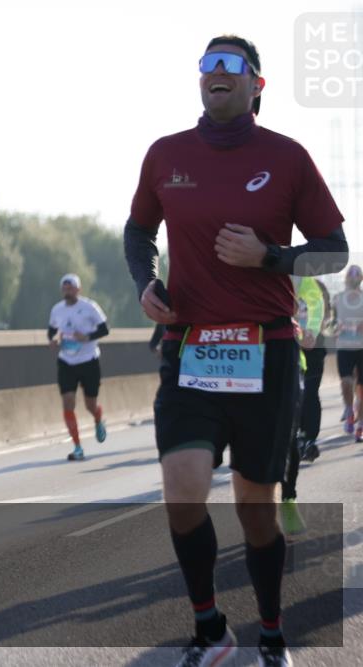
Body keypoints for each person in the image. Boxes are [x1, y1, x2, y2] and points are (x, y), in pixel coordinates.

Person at [123, 36, 347, 667]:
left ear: (256, 84)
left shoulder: (287, 156)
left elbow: (334, 249)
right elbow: (138, 230)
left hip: (266, 350)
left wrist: (270, 257)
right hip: (190, 348)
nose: (214, 72)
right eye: (207, 64)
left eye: (229, 64)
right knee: (182, 491)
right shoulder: (166, 155)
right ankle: (210, 630)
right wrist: (146, 282)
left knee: (256, 509)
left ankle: (271, 633)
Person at [279, 276, 332, 536]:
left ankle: (288, 497)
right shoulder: (236, 266)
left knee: (301, 407)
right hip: (249, 359)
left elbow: (317, 303)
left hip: (294, 353)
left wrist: (311, 329)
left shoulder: (296, 272)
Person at [47, 273, 109, 461]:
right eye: (64, 288)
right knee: (68, 402)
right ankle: (77, 447)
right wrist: (54, 340)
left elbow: (105, 329)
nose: (67, 290)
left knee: (90, 404)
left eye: (71, 287)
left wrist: (87, 337)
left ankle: (98, 418)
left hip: (89, 360)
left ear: (78, 289)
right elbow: (52, 331)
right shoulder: (57, 309)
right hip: (66, 361)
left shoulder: (89, 307)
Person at [331, 265, 363, 440]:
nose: (353, 277)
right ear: (346, 278)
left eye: (357, 274)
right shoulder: (338, 299)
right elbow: (330, 322)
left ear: (361, 278)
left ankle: (361, 425)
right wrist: (336, 327)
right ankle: (349, 410)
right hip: (344, 346)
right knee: (346, 382)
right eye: (350, 274)